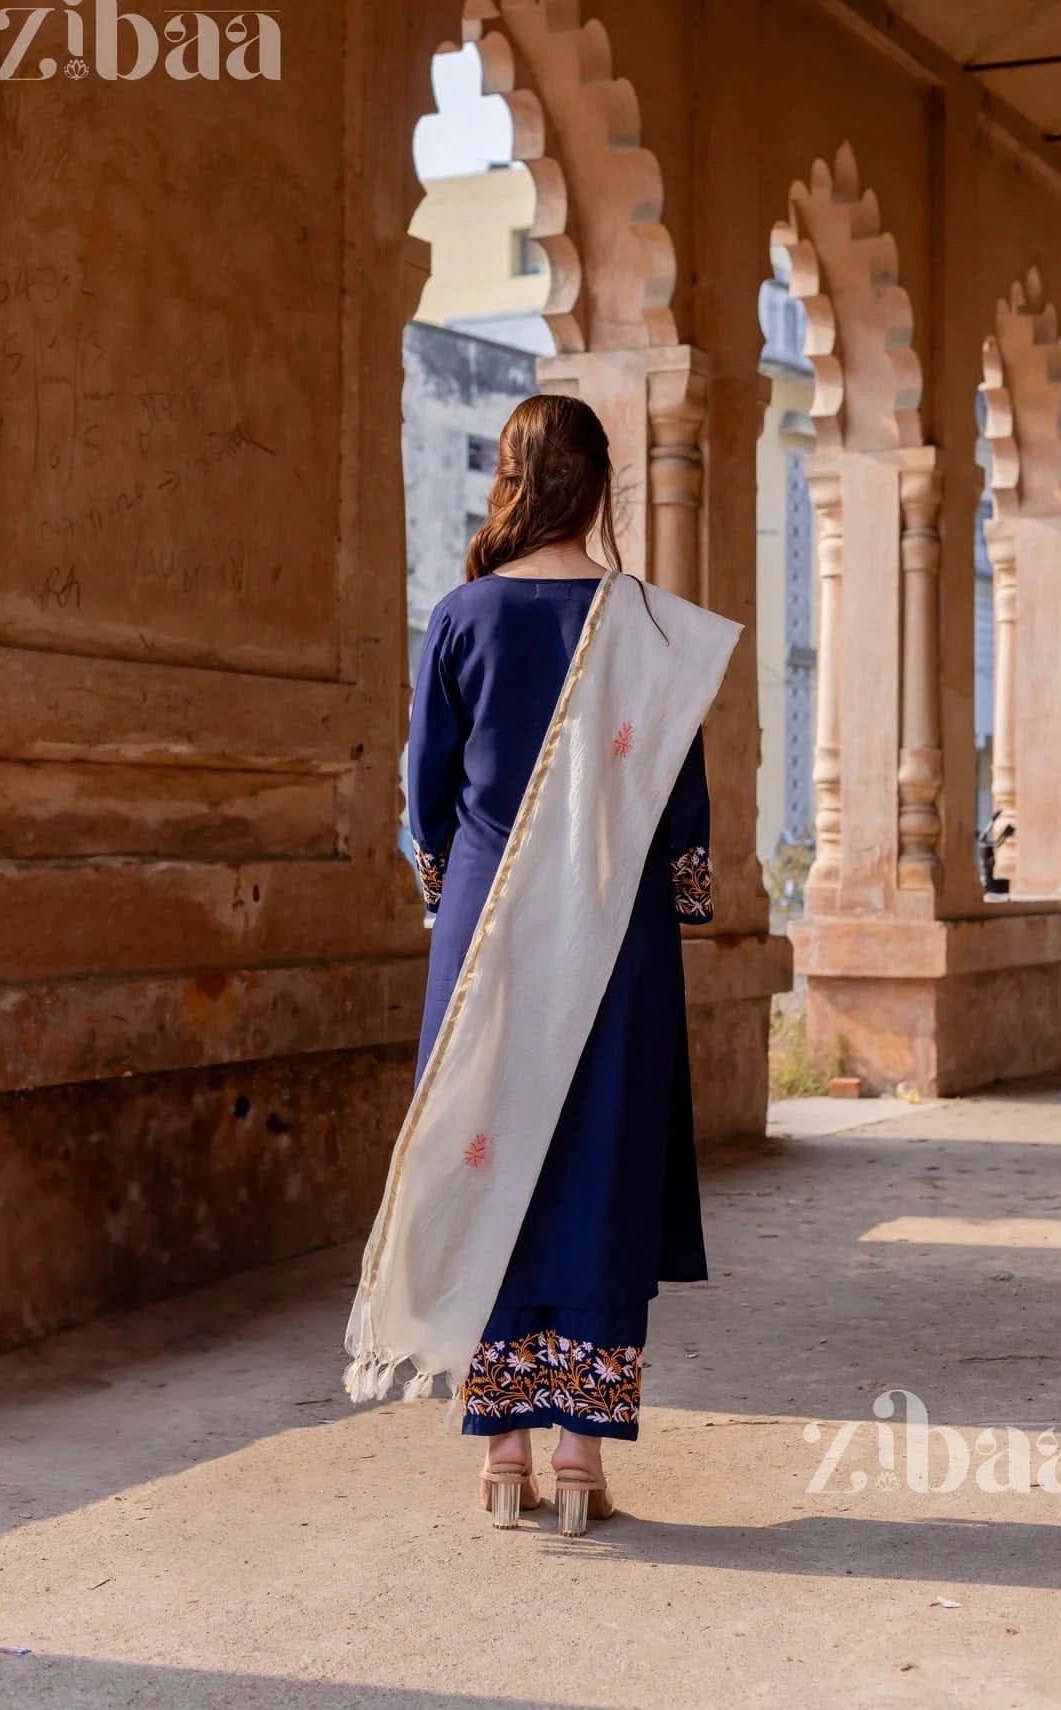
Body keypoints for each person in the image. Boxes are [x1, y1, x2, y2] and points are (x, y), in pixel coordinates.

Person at [343, 394, 740, 1537]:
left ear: (510, 479)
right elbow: (680, 810)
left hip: (489, 938)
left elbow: (427, 796)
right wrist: (679, 895)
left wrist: (449, 897)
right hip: (616, 933)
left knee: (487, 1153)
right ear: (602, 485)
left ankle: (501, 1453)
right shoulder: (650, 629)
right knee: (600, 1166)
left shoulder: (462, 616)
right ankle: (578, 1458)